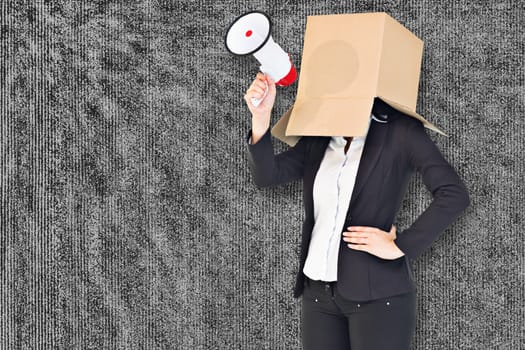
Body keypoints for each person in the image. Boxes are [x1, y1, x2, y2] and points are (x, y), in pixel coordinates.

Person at [244, 73, 470, 350]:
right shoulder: (319, 136)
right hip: (318, 294)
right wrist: (261, 116)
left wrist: (402, 246)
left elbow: (453, 193)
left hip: (378, 297)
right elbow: (268, 175)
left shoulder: (400, 132)